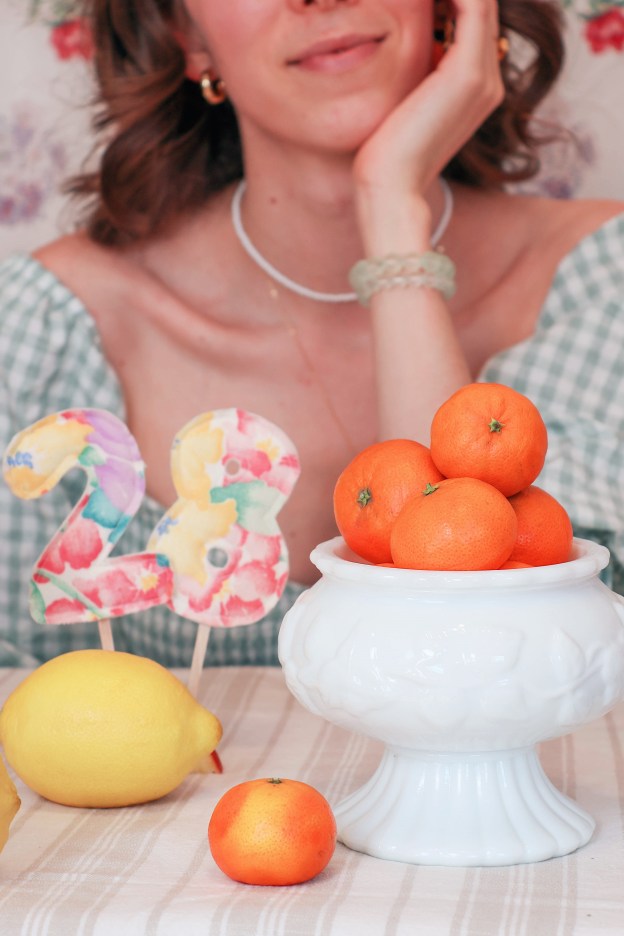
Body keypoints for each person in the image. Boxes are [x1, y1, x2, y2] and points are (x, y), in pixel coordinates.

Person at [0, 0, 622, 668]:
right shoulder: (44, 329)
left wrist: (391, 209)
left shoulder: (606, 288)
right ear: (187, 36)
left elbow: (484, 672)